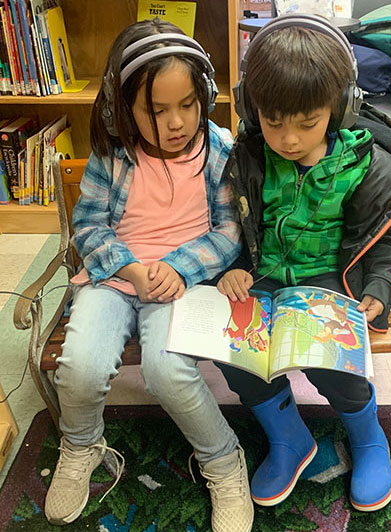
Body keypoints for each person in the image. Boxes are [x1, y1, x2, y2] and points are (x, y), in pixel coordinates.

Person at [44, 19, 253, 532]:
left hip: (185, 283)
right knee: (80, 367)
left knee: (167, 370)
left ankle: (224, 459)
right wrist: (133, 270)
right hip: (115, 276)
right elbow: (88, 225)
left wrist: (179, 268)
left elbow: (230, 232)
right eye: (156, 111)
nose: (177, 121)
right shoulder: (112, 153)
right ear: (123, 109)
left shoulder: (219, 149)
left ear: (203, 94)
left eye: (187, 104)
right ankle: (82, 443)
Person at [216, 14, 391, 512]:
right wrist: (235, 266)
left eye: (307, 123)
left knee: (334, 366)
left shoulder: (365, 170)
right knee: (236, 354)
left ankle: (368, 439)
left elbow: (388, 245)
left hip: (332, 278)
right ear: (250, 107)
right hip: (264, 277)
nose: (288, 139)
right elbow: (238, 226)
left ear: (340, 108)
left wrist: (382, 287)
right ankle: (289, 437)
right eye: (272, 120)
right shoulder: (251, 158)